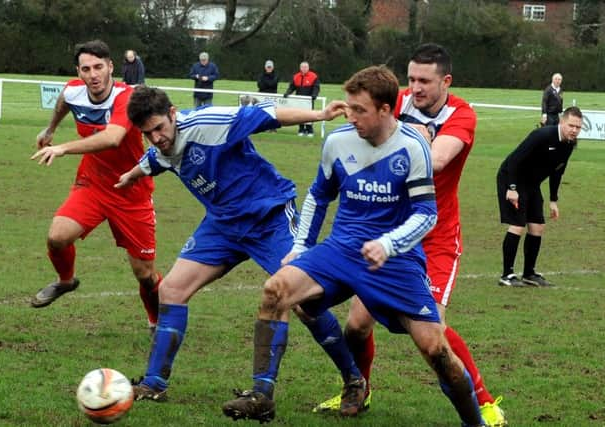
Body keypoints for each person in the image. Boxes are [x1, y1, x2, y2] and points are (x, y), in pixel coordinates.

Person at [222, 65, 486, 427]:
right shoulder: (338, 141)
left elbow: (427, 215)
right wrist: (301, 247)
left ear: (385, 110)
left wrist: (389, 244)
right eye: (348, 107)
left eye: (359, 109)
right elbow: (318, 196)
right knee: (276, 290)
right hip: (342, 249)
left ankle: (475, 422)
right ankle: (261, 396)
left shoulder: (413, 147)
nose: (351, 115)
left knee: (435, 348)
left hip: (396, 261)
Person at [311, 43, 507, 426]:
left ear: (445, 81)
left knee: (435, 333)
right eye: (411, 79)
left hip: (434, 236)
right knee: (356, 326)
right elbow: (364, 123)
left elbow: (436, 160)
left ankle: (482, 403)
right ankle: (358, 389)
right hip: (388, 235)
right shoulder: (397, 102)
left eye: (424, 81)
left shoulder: (461, 115)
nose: (414, 88)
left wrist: (411, 136)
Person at [116, 85, 348, 402]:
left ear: (173, 114)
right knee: (171, 290)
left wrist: (319, 114)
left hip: (269, 217)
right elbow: (155, 160)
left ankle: (353, 380)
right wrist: (131, 175)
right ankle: (154, 384)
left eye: (159, 128)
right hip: (223, 226)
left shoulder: (209, 122)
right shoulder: (161, 147)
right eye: (148, 133)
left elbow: (268, 114)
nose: (156, 137)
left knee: (303, 303)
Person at [29, 40, 162, 332]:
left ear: (111, 67)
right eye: (86, 69)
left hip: (132, 190)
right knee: (57, 237)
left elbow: (113, 138)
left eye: (99, 67)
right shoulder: (73, 88)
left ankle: (156, 321)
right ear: (79, 71)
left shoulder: (126, 97)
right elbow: (65, 99)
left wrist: (63, 148)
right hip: (93, 184)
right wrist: (50, 128)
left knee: (144, 273)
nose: (93, 75)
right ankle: (66, 281)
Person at [497, 106, 582, 288]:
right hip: (512, 178)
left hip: (532, 184)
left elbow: (558, 172)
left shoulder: (569, 144)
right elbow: (514, 160)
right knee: (518, 225)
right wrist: (511, 188)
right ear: (562, 122)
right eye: (571, 126)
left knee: (537, 226)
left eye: (578, 127)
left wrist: (553, 200)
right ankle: (507, 275)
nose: (574, 130)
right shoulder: (542, 135)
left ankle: (529, 273)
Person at [283, 61, 320, 137]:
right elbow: (292, 87)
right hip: (299, 100)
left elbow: (316, 87)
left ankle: (310, 130)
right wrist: (288, 92)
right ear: (300, 68)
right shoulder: (296, 76)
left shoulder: (313, 76)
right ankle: (301, 129)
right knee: (300, 115)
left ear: (308, 68)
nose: (304, 68)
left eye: (305, 67)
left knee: (309, 115)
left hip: (309, 100)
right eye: (302, 67)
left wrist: (314, 95)